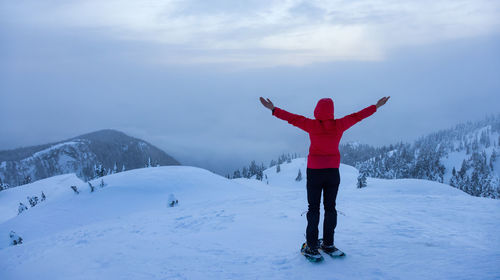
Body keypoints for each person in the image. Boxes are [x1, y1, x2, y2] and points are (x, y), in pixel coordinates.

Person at [259, 96, 390, 259]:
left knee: (313, 208)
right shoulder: (340, 125)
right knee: (330, 208)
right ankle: (328, 244)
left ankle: (312, 246)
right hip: (333, 172)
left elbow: (291, 118)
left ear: (317, 110)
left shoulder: (311, 125)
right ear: (332, 111)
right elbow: (358, 116)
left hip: (315, 171)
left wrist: (273, 109)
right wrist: (376, 106)